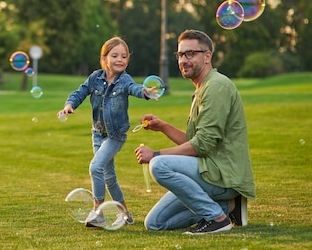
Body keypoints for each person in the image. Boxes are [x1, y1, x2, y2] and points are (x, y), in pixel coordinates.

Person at [134, 29, 255, 235]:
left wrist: (154, 154)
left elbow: (202, 146)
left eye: (190, 54)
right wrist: (163, 126)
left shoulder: (216, 87)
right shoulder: (202, 88)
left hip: (222, 174)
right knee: (155, 223)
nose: (183, 60)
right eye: (180, 55)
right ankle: (229, 208)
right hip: (210, 170)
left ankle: (217, 219)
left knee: (159, 165)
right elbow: (193, 142)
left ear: (207, 56)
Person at [58, 37, 149, 228]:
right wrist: (69, 105)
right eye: (114, 55)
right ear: (104, 58)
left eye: (124, 56)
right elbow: (80, 92)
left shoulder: (125, 80)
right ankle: (126, 215)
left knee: (95, 167)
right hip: (98, 134)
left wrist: (145, 92)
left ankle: (97, 212)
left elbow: (134, 89)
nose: (120, 60)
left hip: (116, 135)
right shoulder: (95, 78)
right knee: (109, 177)